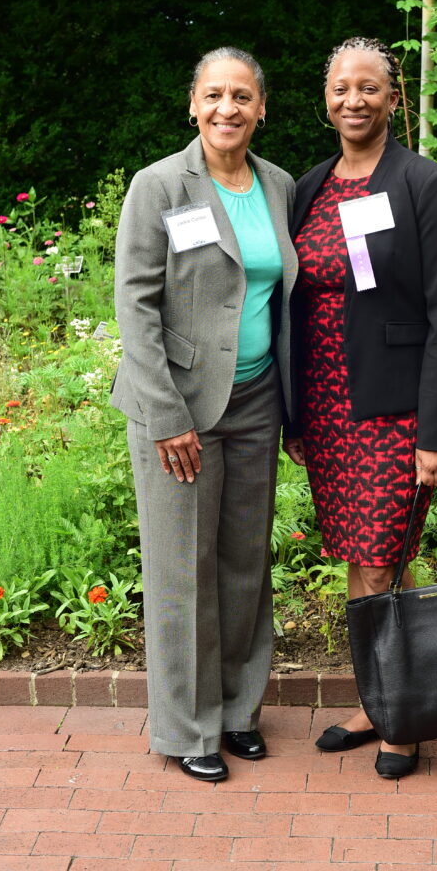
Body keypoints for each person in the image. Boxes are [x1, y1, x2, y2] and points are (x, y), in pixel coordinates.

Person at [284, 36, 437, 779]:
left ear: (393, 99)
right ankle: (377, 698)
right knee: (358, 563)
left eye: (368, 87)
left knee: (382, 556)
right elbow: (291, 304)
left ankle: (401, 714)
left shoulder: (424, 185)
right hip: (329, 408)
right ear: (325, 98)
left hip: (394, 410)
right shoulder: (308, 188)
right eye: (339, 88)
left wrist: (436, 433)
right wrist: (295, 416)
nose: (352, 100)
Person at [112, 47, 298, 782]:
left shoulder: (280, 185)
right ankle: (188, 727)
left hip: (256, 400)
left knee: (245, 564)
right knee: (181, 569)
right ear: (193, 104)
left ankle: (237, 712)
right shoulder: (158, 185)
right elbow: (134, 306)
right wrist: (165, 415)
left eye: (242, 97)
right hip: (179, 406)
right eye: (214, 95)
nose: (228, 109)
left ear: (261, 108)